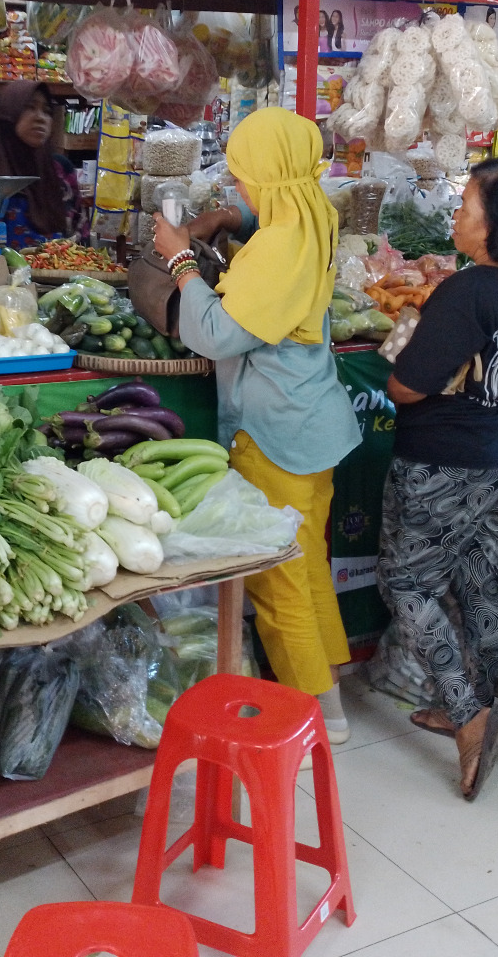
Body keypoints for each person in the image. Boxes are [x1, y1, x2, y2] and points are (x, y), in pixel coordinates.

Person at [151, 107, 362, 744]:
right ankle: (328, 675)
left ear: (270, 179)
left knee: (278, 578)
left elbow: (216, 335)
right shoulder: (313, 212)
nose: (239, 190)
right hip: (316, 423)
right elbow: (274, 221)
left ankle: (317, 711)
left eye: (244, 182)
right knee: (309, 562)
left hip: (277, 434)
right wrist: (227, 219)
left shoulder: (276, 249)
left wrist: (182, 259)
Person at [378, 157, 498, 801]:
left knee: (408, 584)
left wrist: (421, 347)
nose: (456, 216)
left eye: (466, 207)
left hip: (446, 464)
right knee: (482, 585)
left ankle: (468, 715)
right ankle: (483, 703)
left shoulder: (468, 291)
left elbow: (406, 388)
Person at [0, 80, 81, 240]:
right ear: (9, 114)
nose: (41, 118)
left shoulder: (61, 170)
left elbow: (79, 234)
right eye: (30, 107)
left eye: (47, 110)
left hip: (60, 264)